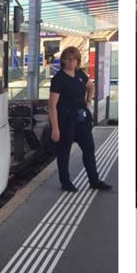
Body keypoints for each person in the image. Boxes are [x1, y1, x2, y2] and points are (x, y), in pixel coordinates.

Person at [49, 46, 112, 192]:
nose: (72, 62)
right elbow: (52, 105)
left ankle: (94, 180)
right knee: (64, 153)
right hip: (65, 121)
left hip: (81, 119)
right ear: (63, 60)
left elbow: (91, 87)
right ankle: (66, 183)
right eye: (69, 59)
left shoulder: (80, 74)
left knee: (89, 149)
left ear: (78, 61)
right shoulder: (59, 79)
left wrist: (88, 101)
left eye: (75, 60)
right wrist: (55, 129)